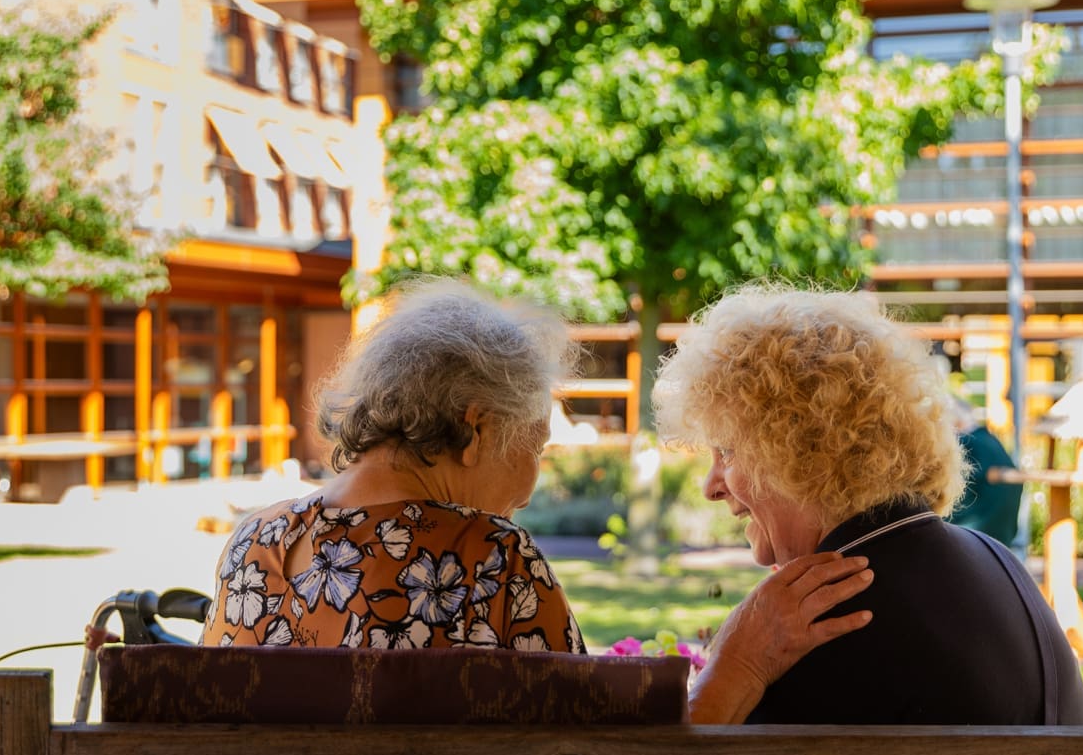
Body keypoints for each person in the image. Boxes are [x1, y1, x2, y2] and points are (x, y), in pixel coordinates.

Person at [202, 279, 876, 720]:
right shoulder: (487, 557)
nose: (531, 487)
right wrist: (740, 664)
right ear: (474, 429)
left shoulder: (254, 540)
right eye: (535, 448)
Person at [653, 285, 1083, 726]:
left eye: (727, 451)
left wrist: (736, 670)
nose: (711, 486)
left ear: (798, 450)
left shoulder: (813, 626)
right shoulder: (1002, 566)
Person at [949, 395, 1022, 547]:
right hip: (1004, 531)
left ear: (956, 423)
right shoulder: (990, 439)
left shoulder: (966, 443)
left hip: (978, 532)